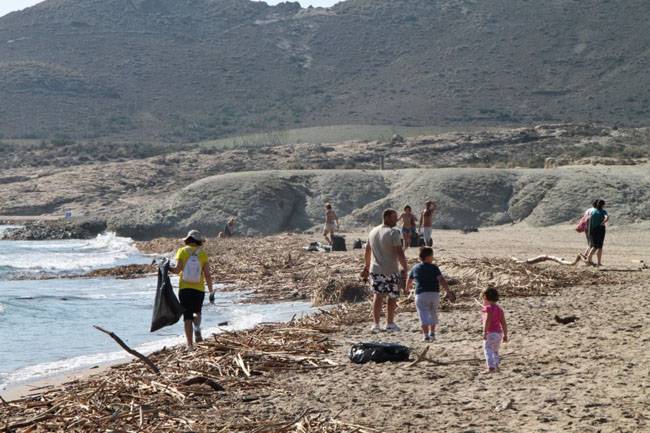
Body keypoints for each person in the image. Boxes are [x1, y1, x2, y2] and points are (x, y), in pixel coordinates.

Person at [361, 208, 408, 332]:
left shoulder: (373, 231)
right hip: (391, 269)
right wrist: (405, 267)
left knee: (378, 296)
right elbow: (399, 252)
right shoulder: (394, 232)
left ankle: (375, 324)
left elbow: (367, 251)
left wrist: (366, 267)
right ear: (386, 217)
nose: (396, 220)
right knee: (392, 296)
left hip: (375, 269)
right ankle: (390, 323)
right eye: (394, 217)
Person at [169, 230, 215, 350]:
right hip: (199, 289)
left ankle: (190, 345)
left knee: (187, 316)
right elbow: (207, 275)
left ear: (188, 239)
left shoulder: (182, 251)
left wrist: (166, 267)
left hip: (185, 289)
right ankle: (197, 328)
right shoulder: (203, 254)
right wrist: (211, 291)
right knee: (197, 311)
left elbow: (177, 270)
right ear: (199, 241)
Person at [405, 247, 451, 342]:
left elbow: (409, 280)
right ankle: (432, 333)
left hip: (421, 294)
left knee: (423, 314)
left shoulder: (415, 267)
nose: (433, 258)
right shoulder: (434, 268)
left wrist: (407, 289)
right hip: (434, 293)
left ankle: (425, 335)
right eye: (432, 256)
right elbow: (441, 279)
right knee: (433, 312)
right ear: (428, 257)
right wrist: (447, 290)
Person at [481, 287, 508, 373]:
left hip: (490, 333)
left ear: (485, 297)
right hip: (499, 334)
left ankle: (491, 367)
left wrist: (484, 332)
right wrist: (505, 335)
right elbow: (503, 323)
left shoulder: (488, 308)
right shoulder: (499, 309)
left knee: (487, 349)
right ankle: (496, 365)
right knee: (495, 351)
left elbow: (487, 321)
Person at [586, 199, 609, 267]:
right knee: (598, 246)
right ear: (603, 205)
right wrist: (603, 222)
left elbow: (588, 220)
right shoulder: (603, 211)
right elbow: (607, 217)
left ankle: (597, 262)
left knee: (594, 245)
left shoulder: (592, 211)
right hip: (600, 229)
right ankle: (589, 259)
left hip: (592, 230)